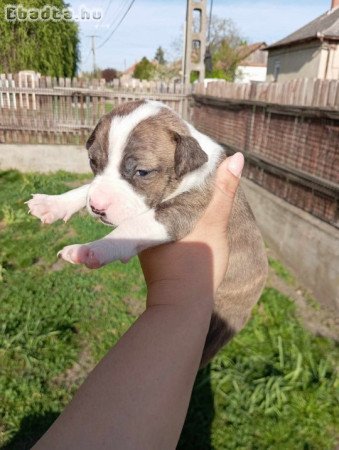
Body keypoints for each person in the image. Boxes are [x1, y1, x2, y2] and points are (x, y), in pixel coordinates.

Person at [33, 152, 244, 450]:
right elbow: (111, 186)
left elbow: (174, 213)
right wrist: (65, 202)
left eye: (141, 171)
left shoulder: (193, 170)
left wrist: (111, 244)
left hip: (230, 287)